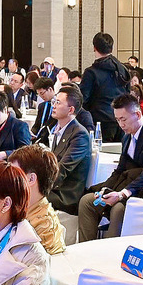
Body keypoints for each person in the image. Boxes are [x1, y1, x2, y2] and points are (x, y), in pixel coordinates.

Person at [75, 95, 143, 239]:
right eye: (117, 120)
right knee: (87, 201)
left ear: (138, 114)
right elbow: (120, 171)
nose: (120, 124)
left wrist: (122, 194)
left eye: (123, 119)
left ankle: (112, 250)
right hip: (129, 188)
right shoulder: (127, 137)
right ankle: (87, 247)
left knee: (118, 208)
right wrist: (105, 189)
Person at [6, 143, 66, 257]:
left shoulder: (45, 226)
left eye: (13, 173)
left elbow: (44, 265)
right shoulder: (16, 207)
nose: (7, 179)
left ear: (31, 179)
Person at [46, 83, 94, 216]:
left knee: (25, 195)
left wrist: (39, 186)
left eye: (58, 103)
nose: (54, 106)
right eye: (54, 101)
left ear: (71, 109)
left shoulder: (80, 134)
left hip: (67, 194)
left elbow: (63, 168)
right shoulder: (60, 129)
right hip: (55, 187)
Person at [78, 32, 129, 140]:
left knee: (101, 149)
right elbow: (128, 93)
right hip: (122, 118)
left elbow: (83, 99)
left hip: (100, 121)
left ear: (94, 48)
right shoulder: (122, 69)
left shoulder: (91, 72)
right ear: (111, 48)